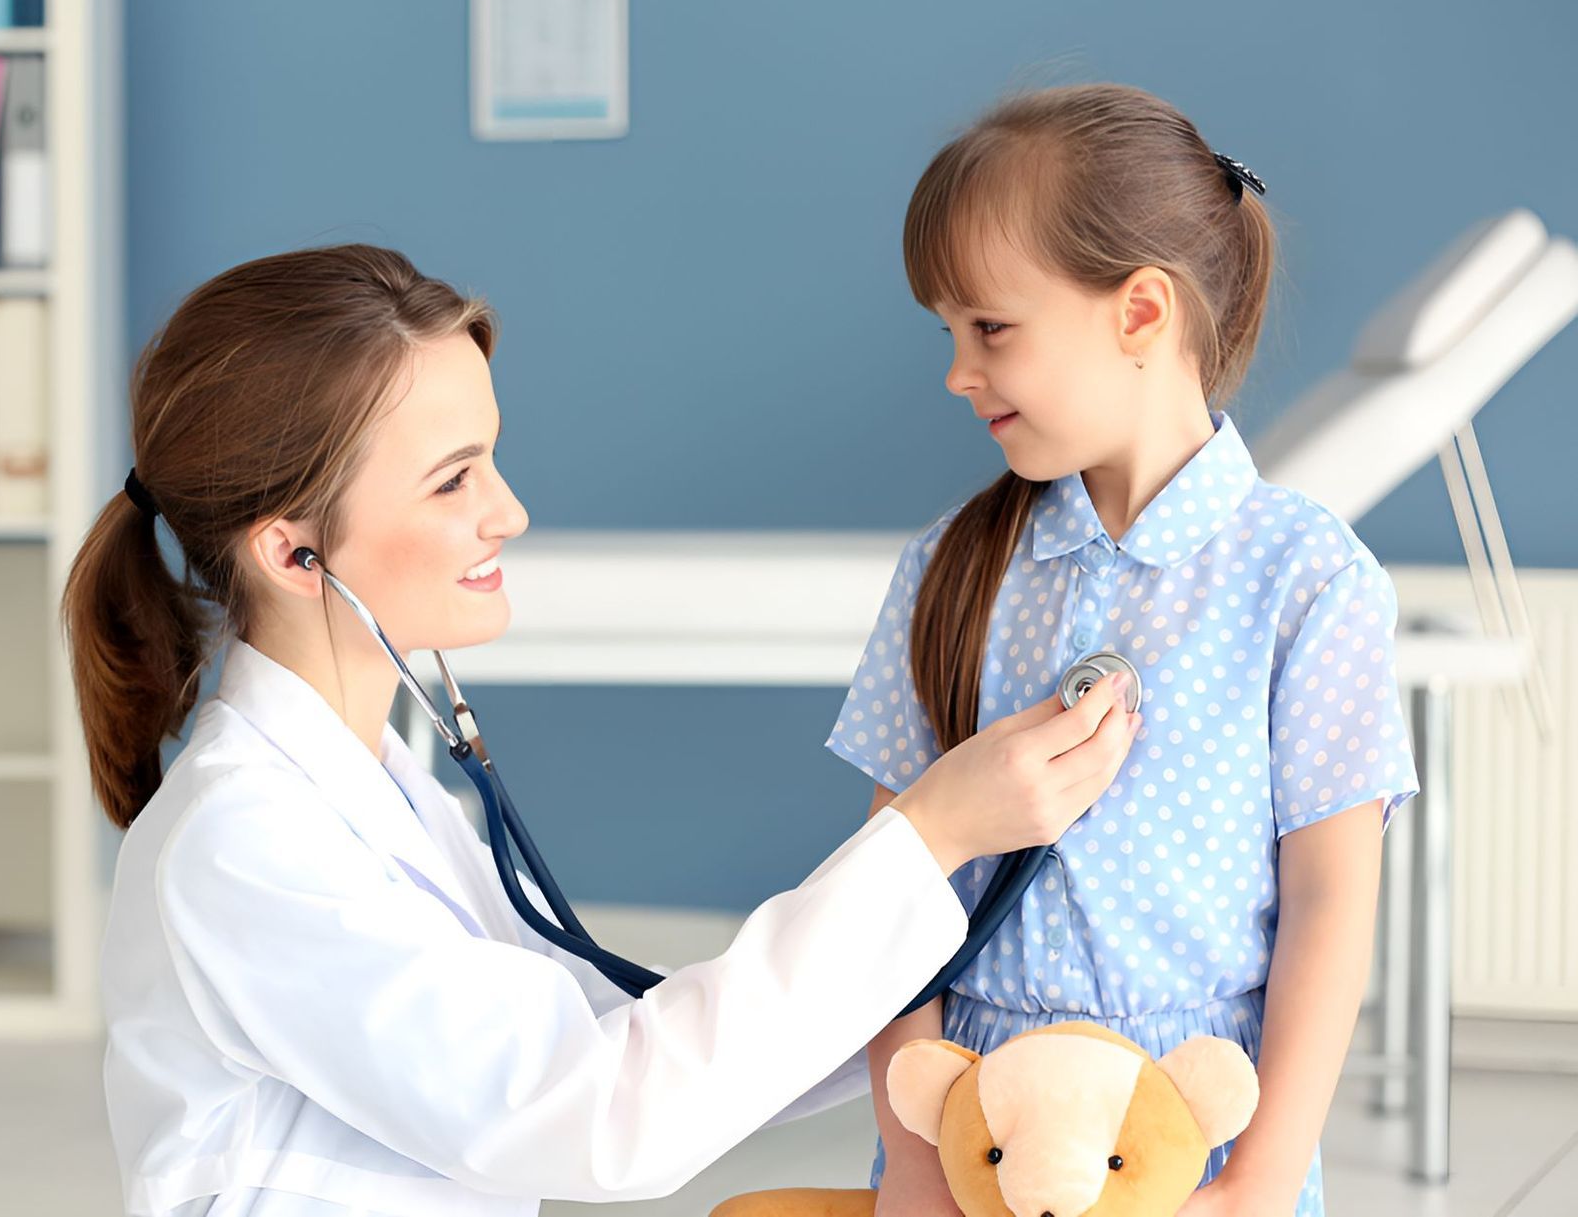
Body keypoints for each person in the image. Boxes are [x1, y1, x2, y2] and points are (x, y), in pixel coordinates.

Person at [63, 244, 1139, 1216]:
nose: (508, 511)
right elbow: (599, 1119)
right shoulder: (244, 846)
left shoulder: (386, 793)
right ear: (294, 555)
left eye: (490, 457)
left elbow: (627, 1043)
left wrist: (946, 974)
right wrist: (930, 835)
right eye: (454, 479)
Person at [829, 84, 1421, 1217]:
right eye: (948, 333)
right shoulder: (949, 573)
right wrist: (910, 1159)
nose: (958, 371)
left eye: (990, 328)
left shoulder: (1308, 584)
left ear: (1141, 312)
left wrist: (1259, 1179)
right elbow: (891, 887)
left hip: (1187, 1136)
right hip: (973, 1138)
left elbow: (1332, 912)